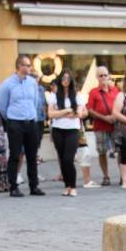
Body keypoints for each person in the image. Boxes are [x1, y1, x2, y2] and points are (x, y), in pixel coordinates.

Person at [0, 55, 46, 198]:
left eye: (30, 65)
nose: (29, 68)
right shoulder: (7, 84)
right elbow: (2, 106)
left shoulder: (32, 83)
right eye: (26, 65)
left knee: (32, 156)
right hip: (15, 122)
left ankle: (34, 186)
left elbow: (36, 102)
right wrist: (11, 120)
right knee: (15, 155)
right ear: (19, 66)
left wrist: (33, 117)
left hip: (31, 122)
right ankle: (13, 186)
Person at [46, 69, 87, 197]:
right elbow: (51, 114)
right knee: (62, 160)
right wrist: (66, 111)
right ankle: (67, 186)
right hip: (58, 130)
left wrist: (64, 113)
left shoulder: (77, 95)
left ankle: (73, 186)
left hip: (72, 131)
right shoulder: (54, 95)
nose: (65, 81)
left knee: (69, 159)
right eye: (63, 78)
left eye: (68, 79)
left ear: (71, 81)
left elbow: (79, 113)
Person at [86, 66, 119, 187]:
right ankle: (106, 176)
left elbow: (121, 104)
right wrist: (105, 117)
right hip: (100, 126)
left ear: (109, 76)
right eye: (101, 75)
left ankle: (123, 176)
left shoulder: (116, 90)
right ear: (97, 78)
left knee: (120, 150)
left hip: (115, 125)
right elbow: (90, 109)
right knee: (102, 152)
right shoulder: (93, 92)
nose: (104, 77)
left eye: (105, 75)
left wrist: (116, 116)